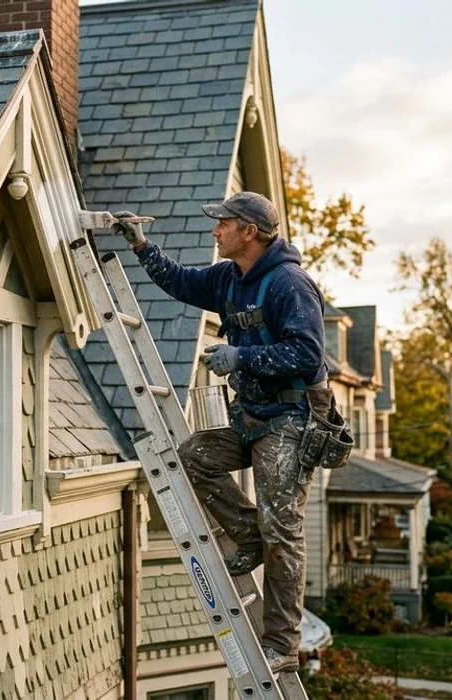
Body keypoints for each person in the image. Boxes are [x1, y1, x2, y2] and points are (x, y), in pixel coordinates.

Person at [113, 191, 331, 674]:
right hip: (250, 416)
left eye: (223, 224)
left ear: (249, 232)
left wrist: (241, 357)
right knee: (192, 458)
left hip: (290, 421)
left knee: (283, 530)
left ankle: (282, 644)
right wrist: (142, 246)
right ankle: (248, 536)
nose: (215, 231)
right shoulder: (230, 278)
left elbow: (308, 354)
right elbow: (181, 282)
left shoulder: (289, 284)